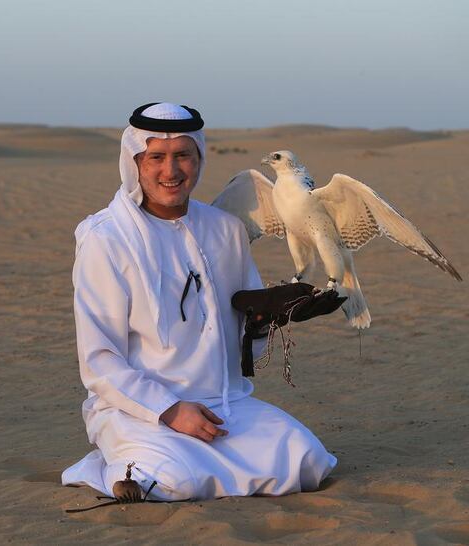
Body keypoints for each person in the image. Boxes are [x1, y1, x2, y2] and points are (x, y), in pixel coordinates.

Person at [61, 102, 336, 501]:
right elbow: (99, 360)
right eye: (156, 157)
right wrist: (170, 410)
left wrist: (266, 319)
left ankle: (162, 463)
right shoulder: (105, 238)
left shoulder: (225, 230)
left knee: (308, 462)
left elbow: (242, 334)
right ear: (135, 161)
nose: (170, 172)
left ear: (199, 159)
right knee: (172, 482)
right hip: (138, 410)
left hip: (223, 404)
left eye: (182, 156)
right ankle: (112, 468)